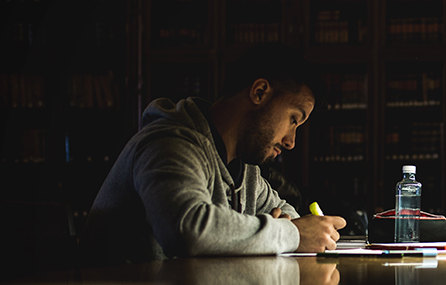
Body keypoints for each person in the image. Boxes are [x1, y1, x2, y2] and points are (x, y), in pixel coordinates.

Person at [81, 43, 346, 266]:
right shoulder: (169, 144)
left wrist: (289, 229)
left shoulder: (245, 170)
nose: (291, 142)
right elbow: (188, 230)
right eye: (293, 119)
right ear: (259, 92)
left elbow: (286, 213)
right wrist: (291, 234)